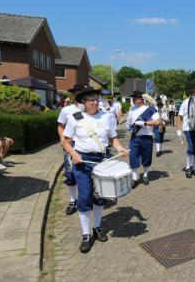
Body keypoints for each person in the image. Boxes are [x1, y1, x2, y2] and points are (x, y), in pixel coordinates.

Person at [62, 87, 128, 253]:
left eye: (96, 99)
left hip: (101, 161)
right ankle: (85, 234)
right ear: (84, 102)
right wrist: (73, 154)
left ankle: (97, 228)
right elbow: (66, 142)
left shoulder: (107, 117)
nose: (95, 102)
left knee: (100, 197)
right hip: (82, 161)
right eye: (91, 100)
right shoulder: (75, 118)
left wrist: (120, 148)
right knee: (84, 197)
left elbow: (113, 139)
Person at [57, 83, 85, 215]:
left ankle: (90, 197)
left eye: (81, 92)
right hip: (71, 144)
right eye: (76, 92)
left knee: (89, 172)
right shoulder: (66, 110)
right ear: (73, 94)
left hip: (86, 145)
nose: (78, 94)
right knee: (70, 173)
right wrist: (63, 140)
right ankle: (73, 200)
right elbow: (60, 126)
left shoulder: (89, 108)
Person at [126, 90, 160, 188]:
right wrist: (128, 126)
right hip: (135, 137)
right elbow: (129, 122)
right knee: (133, 156)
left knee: (146, 157)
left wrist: (145, 124)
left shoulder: (149, 109)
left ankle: (145, 175)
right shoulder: (132, 109)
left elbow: (157, 122)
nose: (134, 99)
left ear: (142, 99)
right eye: (134, 98)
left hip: (147, 137)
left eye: (136, 98)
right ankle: (135, 178)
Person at [177, 85, 195, 178]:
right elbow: (180, 116)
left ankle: (194, 168)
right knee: (191, 148)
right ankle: (188, 168)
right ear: (191, 91)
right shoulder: (186, 102)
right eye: (194, 90)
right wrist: (178, 129)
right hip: (189, 128)